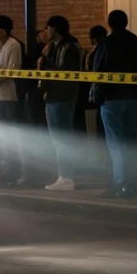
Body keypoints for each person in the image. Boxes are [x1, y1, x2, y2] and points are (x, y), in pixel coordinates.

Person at [96, 9, 137, 199]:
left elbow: (97, 72)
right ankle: (133, 182)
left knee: (116, 144)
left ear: (109, 23)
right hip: (133, 98)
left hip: (111, 100)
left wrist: (97, 95)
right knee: (131, 141)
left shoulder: (106, 44)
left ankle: (121, 183)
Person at [41, 15, 82, 192]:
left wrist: (43, 64)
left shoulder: (68, 47)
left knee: (62, 138)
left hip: (62, 97)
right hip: (53, 97)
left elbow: (63, 73)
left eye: (48, 28)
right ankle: (63, 175)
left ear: (55, 29)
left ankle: (66, 177)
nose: (46, 31)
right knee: (58, 139)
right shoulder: (55, 47)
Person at [0, 15, 25, 186]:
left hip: (8, 96)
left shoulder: (13, 45)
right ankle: (4, 170)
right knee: (0, 136)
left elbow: (12, 69)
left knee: (10, 136)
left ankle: (14, 172)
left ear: (5, 30)